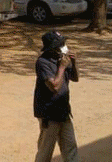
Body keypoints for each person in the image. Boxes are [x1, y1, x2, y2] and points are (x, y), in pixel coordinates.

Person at [34, 30, 79, 162]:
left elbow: (75, 78)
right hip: (49, 114)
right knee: (45, 152)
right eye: (61, 44)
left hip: (63, 112)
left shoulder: (62, 60)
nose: (64, 47)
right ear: (53, 48)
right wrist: (62, 67)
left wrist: (74, 63)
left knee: (70, 149)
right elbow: (54, 87)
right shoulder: (43, 62)